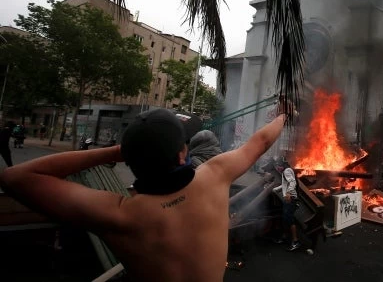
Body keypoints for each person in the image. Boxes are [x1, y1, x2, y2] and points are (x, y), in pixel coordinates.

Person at [0, 107, 289, 281]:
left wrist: (115, 152)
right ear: (182, 154)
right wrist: (283, 114)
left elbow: (15, 177)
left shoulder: (119, 215)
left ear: (131, 160)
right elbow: (261, 140)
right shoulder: (215, 175)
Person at [272, 160, 300, 251]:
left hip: (290, 199)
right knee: (285, 219)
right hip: (289, 199)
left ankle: (296, 242)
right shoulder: (286, 171)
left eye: (278, 166)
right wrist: (275, 189)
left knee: (289, 219)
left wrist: (288, 192)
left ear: (282, 165)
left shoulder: (286, 171)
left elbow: (293, 182)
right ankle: (284, 237)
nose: (277, 168)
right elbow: (285, 185)